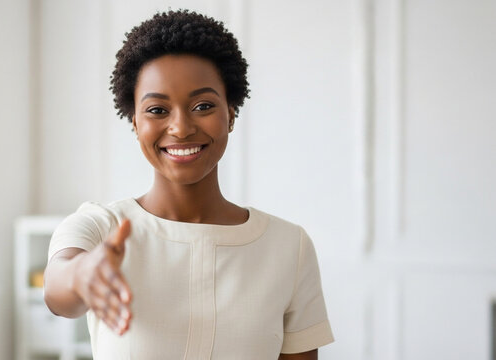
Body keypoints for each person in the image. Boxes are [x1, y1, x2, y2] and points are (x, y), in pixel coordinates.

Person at [43, 10, 334, 359]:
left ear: (231, 113)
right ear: (134, 121)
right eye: (157, 110)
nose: (180, 128)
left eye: (203, 105)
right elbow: (58, 291)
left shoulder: (289, 247)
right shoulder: (98, 227)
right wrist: (82, 275)